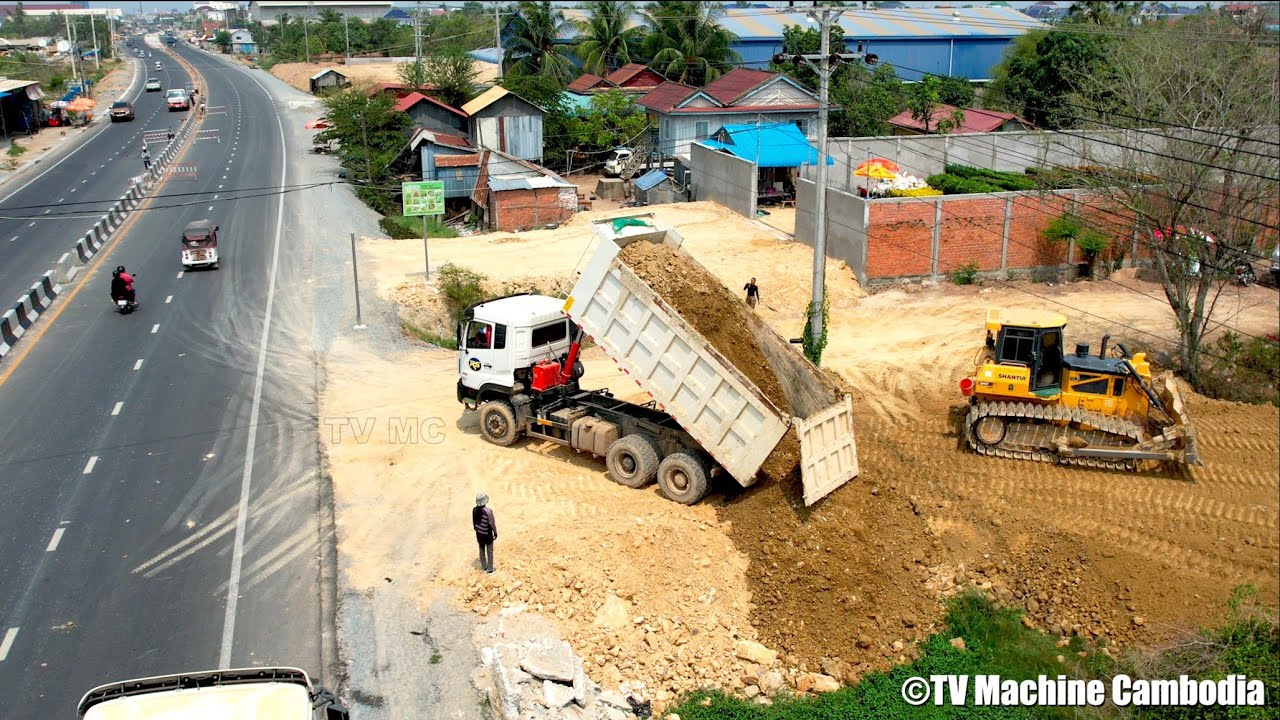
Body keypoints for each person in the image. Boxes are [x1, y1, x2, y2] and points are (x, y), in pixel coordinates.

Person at [472, 492, 497, 574]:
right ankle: (490, 569)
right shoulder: (488, 511)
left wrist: (478, 531)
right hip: (487, 534)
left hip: (479, 534)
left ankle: (484, 566)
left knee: (481, 549)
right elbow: (492, 523)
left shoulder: (474, 510)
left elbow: (474, 523)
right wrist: (495, 532)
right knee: (490, 551)